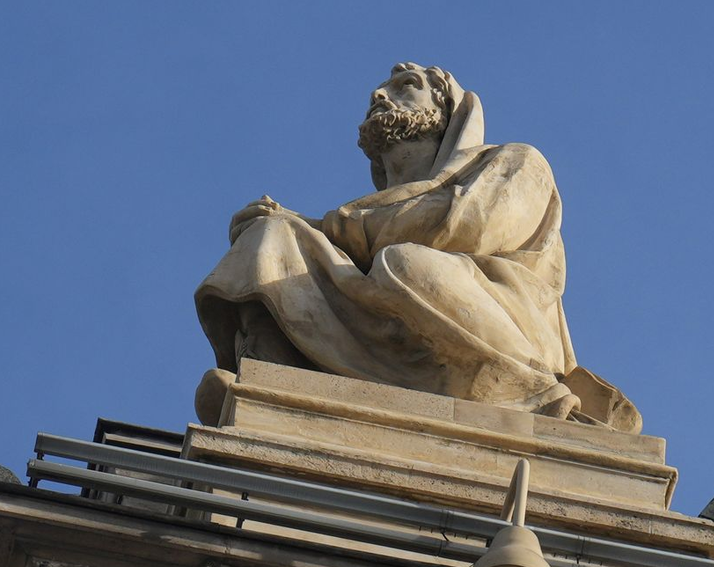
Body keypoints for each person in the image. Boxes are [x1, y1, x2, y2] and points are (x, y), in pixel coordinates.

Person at [194, 63, 638, 430]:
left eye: (406, 84)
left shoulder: (516, 161)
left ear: (447, 110)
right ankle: (270, 374)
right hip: (385, 297)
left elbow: (459, 227)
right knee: (271, 236)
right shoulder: (353, 228)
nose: (381, 94)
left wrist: (332, 228)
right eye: (380, 89)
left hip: (493, 315)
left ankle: (533, 393)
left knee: (405, 262)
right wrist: (296, 225)